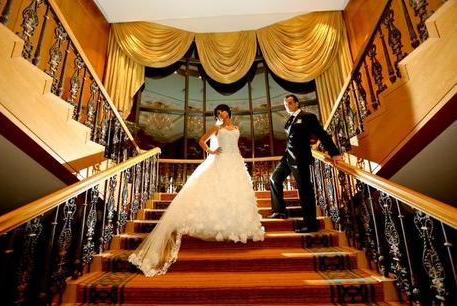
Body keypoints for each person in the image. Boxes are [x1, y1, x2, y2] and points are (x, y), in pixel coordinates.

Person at [129, 104, 264, 277]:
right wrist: (211, 151)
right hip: (220, 160)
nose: (220, 114)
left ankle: (237, 227)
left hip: (236, 162)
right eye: (217, 113)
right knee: (220, 193)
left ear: (228, 112)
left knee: (236, 194)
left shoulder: (236, 127)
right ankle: (218, 226)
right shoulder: (216, 127)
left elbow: (235, 145)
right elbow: (201, 140)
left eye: (221, 111)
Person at [268, 94, 343, 233]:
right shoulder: (290, 120)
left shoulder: (308, 116)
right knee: (274, 178)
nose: (287, 105)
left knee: (305, 190)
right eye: (285, 104)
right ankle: (279, 211)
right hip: (287, 157)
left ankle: (310, 224)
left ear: (297, 103)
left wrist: (335, 153)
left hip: (301, 158)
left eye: (290, 103)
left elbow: (322, 134)